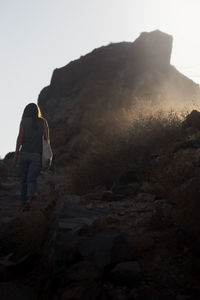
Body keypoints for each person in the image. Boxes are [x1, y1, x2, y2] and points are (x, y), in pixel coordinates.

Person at [13, 103, 49, 211]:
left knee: (23, 180)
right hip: (37, 155)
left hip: (24, 154)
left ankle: (23, 203)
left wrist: (16, 155)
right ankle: (29, 199)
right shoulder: (43, 122)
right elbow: (46, 140)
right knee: (32, 180)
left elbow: (20, 138)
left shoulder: (24, 122)